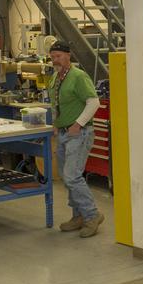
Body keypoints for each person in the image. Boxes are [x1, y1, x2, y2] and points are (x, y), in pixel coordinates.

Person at [48, 41, 103, 238]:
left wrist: (78, 123)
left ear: (68, 55)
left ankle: (92, 215)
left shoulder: (78, 76)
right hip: (63, 133)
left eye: (59, 56)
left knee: (72, 176)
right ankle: (78, 215)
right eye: (53, 56)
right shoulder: (55, 78)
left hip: (79, 133)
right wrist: (55, 123)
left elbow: (94, 102)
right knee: (67, 176)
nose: (56, 60)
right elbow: (55, 104)